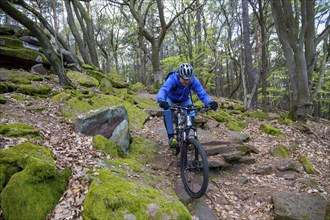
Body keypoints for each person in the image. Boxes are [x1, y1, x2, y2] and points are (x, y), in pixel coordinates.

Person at [157, 63, 218, 148]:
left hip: (184, 99)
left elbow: (202, 93)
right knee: (167, 112)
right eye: (184, 79)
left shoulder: (193, 80)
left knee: (191, 112)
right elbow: (164, 89)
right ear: (179, 76)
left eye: (188, 79)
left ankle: (185, 137)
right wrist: (161, 100)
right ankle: (171, 138)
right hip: (170, 98)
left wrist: (210, 102)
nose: (186, 81)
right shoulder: (173, 78)